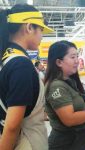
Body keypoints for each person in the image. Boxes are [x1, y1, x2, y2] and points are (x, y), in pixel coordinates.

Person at [0, 4, 54, 150]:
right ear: (29, 27)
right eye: (41, 30)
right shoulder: (21, 65)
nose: (42, 36)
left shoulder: (6, 59)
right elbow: (12, 126)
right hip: (28, 143)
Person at [44, 40, 85, 150]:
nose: (77, 61)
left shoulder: (70, 81)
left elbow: (78, 108)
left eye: (77, 56)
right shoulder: (57, 86)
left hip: (77, 142)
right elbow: (69, 119)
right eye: (72, 57)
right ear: (59, 62)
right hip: (65, 144)